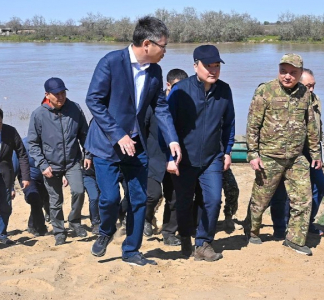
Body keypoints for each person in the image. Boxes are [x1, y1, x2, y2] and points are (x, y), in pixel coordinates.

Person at [85, 16, 180, 267]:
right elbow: (93, 100)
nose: (165, 52)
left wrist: (172, 139)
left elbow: (160, 106)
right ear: (147, 44)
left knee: (139, 198)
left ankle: (131, 250)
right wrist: (118, 134)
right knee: (109, 199)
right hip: (106, 144)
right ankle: (106, 231)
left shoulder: (155, 71)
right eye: (163, 46)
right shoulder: (110, 62)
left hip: (136, 146)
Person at [245, 53, 321, 256]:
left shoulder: (305, 93)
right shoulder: (265, 90)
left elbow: (311, 125)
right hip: (269, 156)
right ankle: (252, 231)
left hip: (296, 158)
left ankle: (294, 239)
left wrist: (315, 153)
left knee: (303, 200)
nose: (287, 76)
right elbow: (253, 124)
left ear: (300, 73)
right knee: (261, 199)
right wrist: (252, 154)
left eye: (293, 73)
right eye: (283, 71)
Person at [167, 45, 235, 262]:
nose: (213, 70)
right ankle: (186, 238)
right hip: (183, 158)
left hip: (212, 157)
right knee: (184, 202)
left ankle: (203, 242)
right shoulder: (180, 91)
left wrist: (227, 151)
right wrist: (170, 158)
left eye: (216, 66)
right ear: (196, 65)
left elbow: (229, 124)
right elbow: (167, 125)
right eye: (208, 66)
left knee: (214, 199)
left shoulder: (224, 91)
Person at [28, 77, 90, 246]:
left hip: (72, 161)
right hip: (50, 165)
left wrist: (88, 154)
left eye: (63, 92)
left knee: (78, 191)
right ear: (47, 94)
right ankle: (59, 231)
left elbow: (84, 134)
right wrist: (42, 165)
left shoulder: (75, 109)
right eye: (56, 94)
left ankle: (75, 222)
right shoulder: (38, 115)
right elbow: (33, 143)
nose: (61, 97)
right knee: (55, 201)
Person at [270, 68, 324, 237]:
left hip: (310, 153)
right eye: (308, 86)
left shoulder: (315, 101)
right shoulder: (287, 100)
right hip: (288, 153)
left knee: (319, 186)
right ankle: (280, 228)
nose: (312, 89)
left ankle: (306, 222)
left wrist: (318, 154)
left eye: (313, 85)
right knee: (280, 193)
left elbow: (317, 128)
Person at [144, 69, 188, 246]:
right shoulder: (153, 104)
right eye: (176, 87)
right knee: (152, 195)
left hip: (176, 159)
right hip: (153, 157)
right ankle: (146, 218)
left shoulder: (186, 106)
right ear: (168, 85)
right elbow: (141, 130)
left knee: (175, 197)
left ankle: (169, 233)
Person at [0, 105, 30, 246]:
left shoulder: (10, 132)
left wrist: (25, 177)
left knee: (5, 206)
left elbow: (22, 154)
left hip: (5, 175)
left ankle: (2, 234)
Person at [12, 136, 49, 237]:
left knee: (39, 202)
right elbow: (14, 165)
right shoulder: (24, 143)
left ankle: (31, 225)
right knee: (34, 199)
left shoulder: (49, 141)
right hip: (28, 177)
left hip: (45, 177)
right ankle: (41, 228)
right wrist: (11, 186)